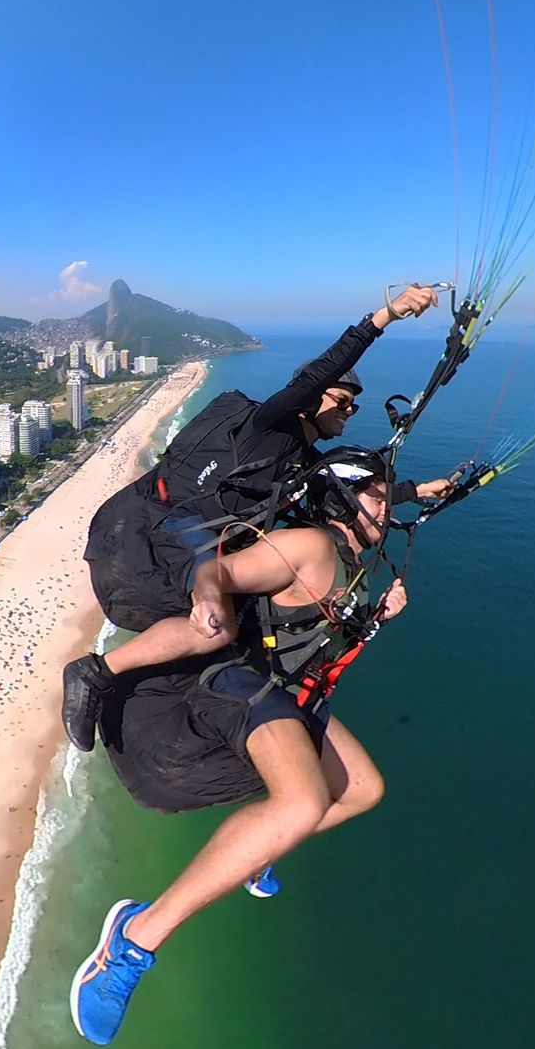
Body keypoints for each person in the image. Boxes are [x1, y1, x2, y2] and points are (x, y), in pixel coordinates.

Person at [69, 451, 407, 1045]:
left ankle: (262, 851)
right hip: (233, 679)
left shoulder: (350, 558)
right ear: (346, 501)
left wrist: (378, 608)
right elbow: (221, 572)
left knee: (362, 791)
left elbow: (324, 618)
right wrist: (206, 596)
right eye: (378, 496)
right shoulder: (310, 545)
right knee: (302, 802)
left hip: (285, 692)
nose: (390, 506)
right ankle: (133, 939)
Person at [62, 282, 446, 748]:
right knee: (214, 628)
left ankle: (151, 691)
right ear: (313, 399)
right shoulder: (267, 423)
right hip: (166, 524)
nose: (349, 412)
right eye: (341, 402)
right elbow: (322, 371)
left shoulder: (303, 461)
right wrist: (386, 315)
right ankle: (95, 673)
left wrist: (418, 490)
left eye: (354, 406)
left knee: (241, 619)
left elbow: (342, 497)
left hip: (193, 531)